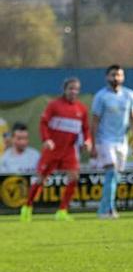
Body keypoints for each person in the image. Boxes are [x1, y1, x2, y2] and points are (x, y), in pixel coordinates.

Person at [22, 78, 92, 222]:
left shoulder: (81, 109)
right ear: (64, 89)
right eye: (71, 88)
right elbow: (43, 123)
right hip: (52, 150)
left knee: (74, 177)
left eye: (76, 89)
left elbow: (85, 129)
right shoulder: (54, 105)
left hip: (69, 150)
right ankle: (27, 207)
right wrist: (46, 139)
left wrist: (87, 141)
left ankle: (62, 210)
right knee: (41, 179)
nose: (73, 91)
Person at [91, 64, 133, 218]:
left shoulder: (130, 95)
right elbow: (95, 121)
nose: (116, 78)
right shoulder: (101, 96)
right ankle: (109, 209)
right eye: (113, 75)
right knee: (111, 172)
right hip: (105, 139)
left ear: (123, 77)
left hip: (121, 141)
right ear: (107, 77)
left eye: (119, 75)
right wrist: (92, 143)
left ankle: (103, 208)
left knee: (116, 175)